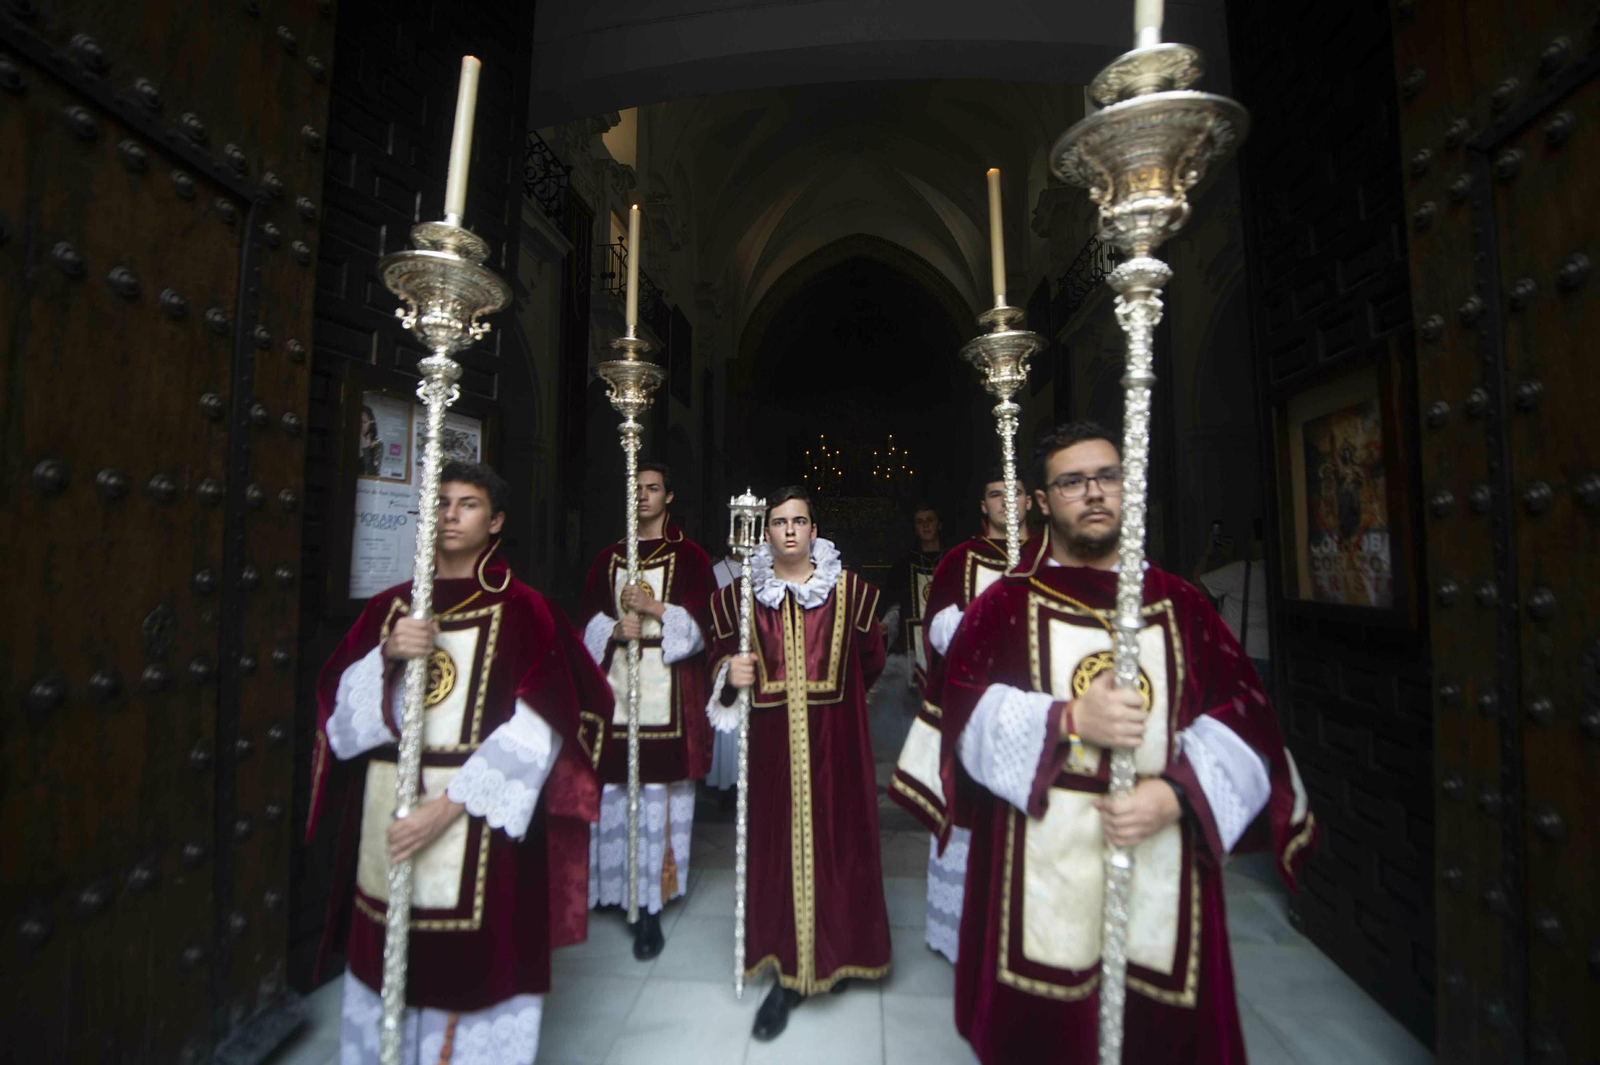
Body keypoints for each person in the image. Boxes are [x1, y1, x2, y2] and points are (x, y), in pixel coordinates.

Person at [939, 422, 1318, 1064]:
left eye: (1109, 477)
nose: (1094, 493)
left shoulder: (1182, 607)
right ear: (1042, 499)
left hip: (1158, 858)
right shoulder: (1003, 607)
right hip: (1036, 865)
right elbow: (962, 717)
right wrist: (1064, 720)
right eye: (1072, 481)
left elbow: (1248, 718)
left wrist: (1178, 794)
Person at [307, 460, 611, 1065]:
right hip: (387, 815)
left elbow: (546, 724)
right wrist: (387, 656)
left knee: (473, 973)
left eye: (466, 503)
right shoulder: (390, 609)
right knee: (387, 970)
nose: (449, 513)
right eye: (440, 501)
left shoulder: (524, 610)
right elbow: (341, 724)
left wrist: (446, 809)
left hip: (480, 824)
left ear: (495, 521)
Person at [705, 485, 892, 1040]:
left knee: (841, 846)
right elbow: (716, 668)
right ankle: (787, 973)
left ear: (814, 530)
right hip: (771, 756)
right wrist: (729, 676)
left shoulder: (851, 593)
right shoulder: (739, 600)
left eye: (799, 521)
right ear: (765, 533)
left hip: (840, 748)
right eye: (778, 522)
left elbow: (872, 661)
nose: (789, 530)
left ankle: (842, 954)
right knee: (778, 853)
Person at [887, 465, 1030, 964]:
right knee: (968, 814)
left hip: (1040, 714)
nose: (1006, 503)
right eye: (995, 495)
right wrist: (993, 614)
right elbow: (938, 631)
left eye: (1014, 495)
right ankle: (962, 930)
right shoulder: (960, 560)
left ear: (1031, 502)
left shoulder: (1050, 556)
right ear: (983, 506)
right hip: (975, 709)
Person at [578, 461, 715, 959]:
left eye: (652, 488)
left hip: (669, 705)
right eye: (635, 488)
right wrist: (614, 630)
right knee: (615, 798)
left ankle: (652, 901)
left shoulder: (692, 558)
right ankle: (615, 890)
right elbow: (583, 625)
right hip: (616, 701)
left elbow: (706, 630)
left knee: (658, 800)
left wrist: (655, 610)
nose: (643, 496)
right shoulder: (607, 560)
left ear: (669, 497)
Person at [879, 504, 946, 691]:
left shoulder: (953, 560)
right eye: (920, 522)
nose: (925, 526)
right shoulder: (902, 567)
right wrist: (886, 624)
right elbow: (895, 609)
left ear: (939, 525)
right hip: (912, 647)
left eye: (930, 520)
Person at [1197, 518, 1270, 689]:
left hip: (1241, 654)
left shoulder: (1240, 571)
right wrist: (1230, 559)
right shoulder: (1275, 572)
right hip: (1267, 653)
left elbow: (1197, 585)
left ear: (1254, 539)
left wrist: (1208, 552)